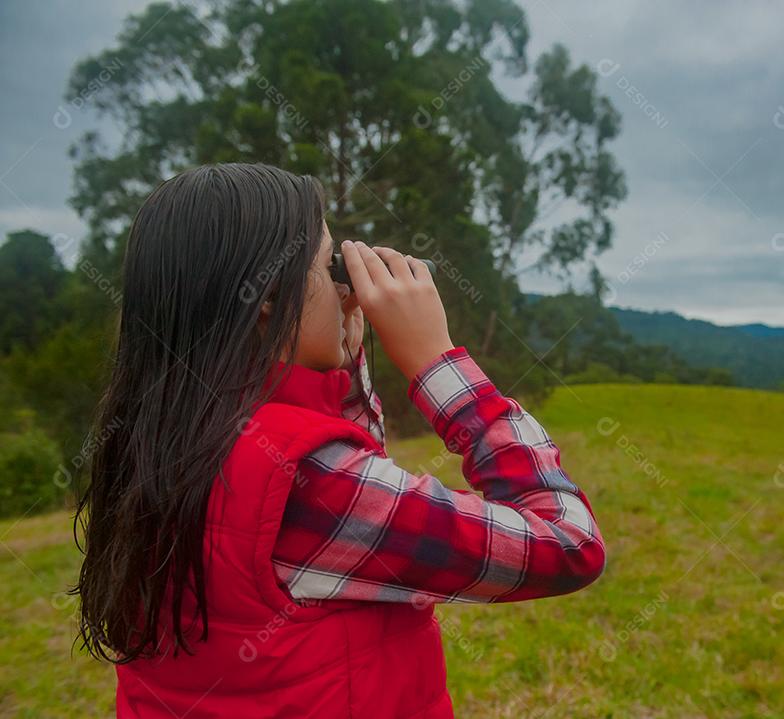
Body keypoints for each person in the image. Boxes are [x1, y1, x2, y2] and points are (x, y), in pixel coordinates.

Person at [72, 162, 606, 718]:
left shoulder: (156, 440)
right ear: (267, 301)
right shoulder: (310, 484)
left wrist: (346, 359)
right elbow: (568, 545)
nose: (346, 285)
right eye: (329, 266)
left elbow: (345, 477)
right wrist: (437, 363)